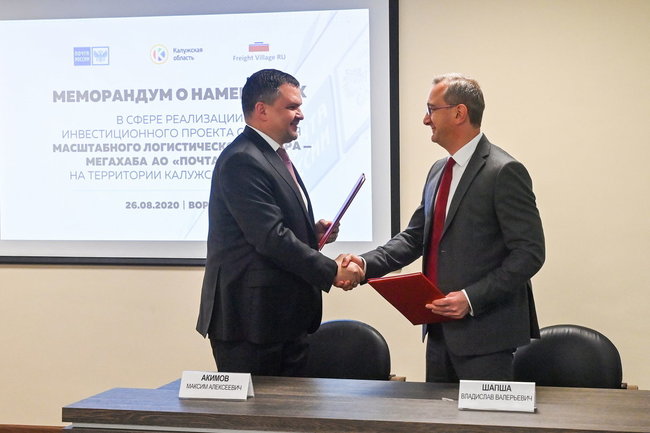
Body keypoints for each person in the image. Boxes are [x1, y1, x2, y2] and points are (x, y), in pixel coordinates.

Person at [343, 73, 545, 382]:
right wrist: (364, 263)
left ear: (459, 112)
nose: (426, 119)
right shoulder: (439, 170)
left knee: (481, 416)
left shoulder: (504, 171)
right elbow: (413, 238)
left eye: (431, 109)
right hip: (438, 332)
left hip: (487, 338)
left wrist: (470, 298)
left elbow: (529, 253)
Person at [196, 69, 363, 376]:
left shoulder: (270, 155)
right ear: (261, 110)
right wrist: (331, 271)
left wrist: (310, 232)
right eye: (291, 106)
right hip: (251, 324)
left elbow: (271, 226)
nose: (301, 114)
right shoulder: (243, 159)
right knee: (258, 409)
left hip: (281, 320)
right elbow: (270, 237)